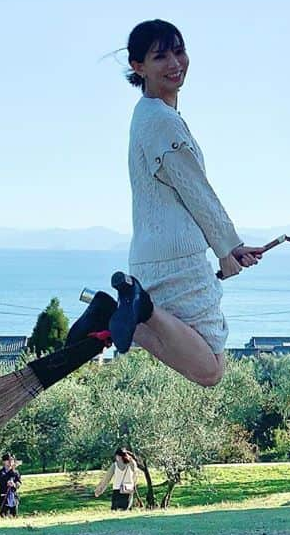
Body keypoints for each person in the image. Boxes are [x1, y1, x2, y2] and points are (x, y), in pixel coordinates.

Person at [73, 20, 266, 387]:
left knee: (192, 352)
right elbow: (195, 189)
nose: (175, 63)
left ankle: (114, 312)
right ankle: (135, 307)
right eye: (160, 56)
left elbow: (174, 194)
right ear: (138, 66)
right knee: (210, 369)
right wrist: (230, 245)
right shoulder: (162, 120)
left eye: (179, 51)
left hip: (151, 254)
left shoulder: (145, 114)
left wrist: (226, 255)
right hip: (176, 257)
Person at [0, 455, 21, 519]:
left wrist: (14, 484)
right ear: (4, 462)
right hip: (4, 497)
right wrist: (8, 482)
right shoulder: (0, 472)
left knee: (14, 516)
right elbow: (1, 482)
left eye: (11, 460)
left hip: (13, 497)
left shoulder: (16, 472)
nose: (10, 462)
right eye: (8, 460)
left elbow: (18, 483)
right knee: (4, 516)